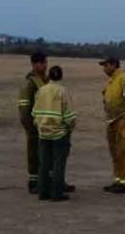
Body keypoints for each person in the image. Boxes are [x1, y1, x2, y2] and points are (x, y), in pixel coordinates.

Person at [32, 66, 76, 201]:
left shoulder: (41, 90)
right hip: (59, 133)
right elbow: (69, 116)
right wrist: (70, 128)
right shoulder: (63, 91)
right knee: (58, 163)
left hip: (43, 133)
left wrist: (40, 125)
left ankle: (43, 192)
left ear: (49, 76)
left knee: (44, 163)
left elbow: (34, 113)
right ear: (61, 77)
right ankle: (57, 193)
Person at [100, 57, 125, 194]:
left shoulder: (124, 78)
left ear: (114, 65)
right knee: (115, 153)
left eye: (106, 65)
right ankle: (118, 180)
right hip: (111, 121)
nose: (104, 68)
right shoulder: (111, 81)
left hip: (122, 120)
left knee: (123, 152)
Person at [17, 51, 48, 193]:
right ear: (34, 64)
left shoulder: (45, 80)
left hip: (47, 126)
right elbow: (24, 108)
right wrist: (30, 127)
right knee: (34, 154)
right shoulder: (30, 83)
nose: (45, 66)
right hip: (35, 126)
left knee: (48, 154)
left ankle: (51, 180)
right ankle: (34, 182)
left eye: (45, 62)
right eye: (42, 63)